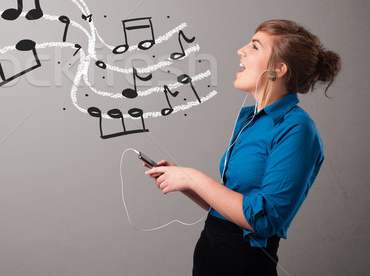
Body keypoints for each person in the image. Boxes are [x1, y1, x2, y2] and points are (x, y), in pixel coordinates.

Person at [145, 19, 341, 276]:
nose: (241, 51)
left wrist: (194, 177)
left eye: (255, 46)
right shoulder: (249, 120)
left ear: (278, 69)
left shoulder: (297, 129)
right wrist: (186, 182)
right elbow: (232, 208)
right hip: (210, 259)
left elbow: (264, 220)